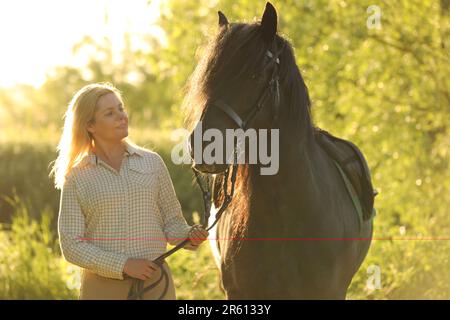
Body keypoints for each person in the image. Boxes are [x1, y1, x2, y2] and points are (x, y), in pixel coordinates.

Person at [50, 82, 208, 300]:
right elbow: (71, 245)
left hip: (155, 285)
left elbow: (172, 223)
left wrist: (189, 236)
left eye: (121, 108)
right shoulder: (77, 177)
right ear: (90, 125)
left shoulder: (152, 163)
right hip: (102, 289)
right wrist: (123, 265)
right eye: (110, 113)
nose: (121, 116)